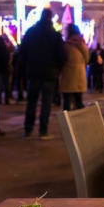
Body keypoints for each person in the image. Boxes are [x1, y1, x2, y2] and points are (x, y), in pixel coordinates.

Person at [21, 9, 68, 138]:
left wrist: (27, 67)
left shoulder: (30, 32)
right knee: (46, 103)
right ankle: (43, 130)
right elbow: (63, 55)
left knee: (32, 102)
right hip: (50, 74)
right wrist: (57, 69)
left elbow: (22, 52)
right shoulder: (55, 35)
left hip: (34, 72)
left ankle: (28, 129)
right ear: (51, 18)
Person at [60, 24, 89, 111]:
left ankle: (67, 122)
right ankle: (80, 121)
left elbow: (62, 60)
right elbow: (87, 60)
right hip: (80, 77)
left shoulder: (66, 45)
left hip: (68, 77)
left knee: (67, 102)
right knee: (79, 101)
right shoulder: (83, 44)